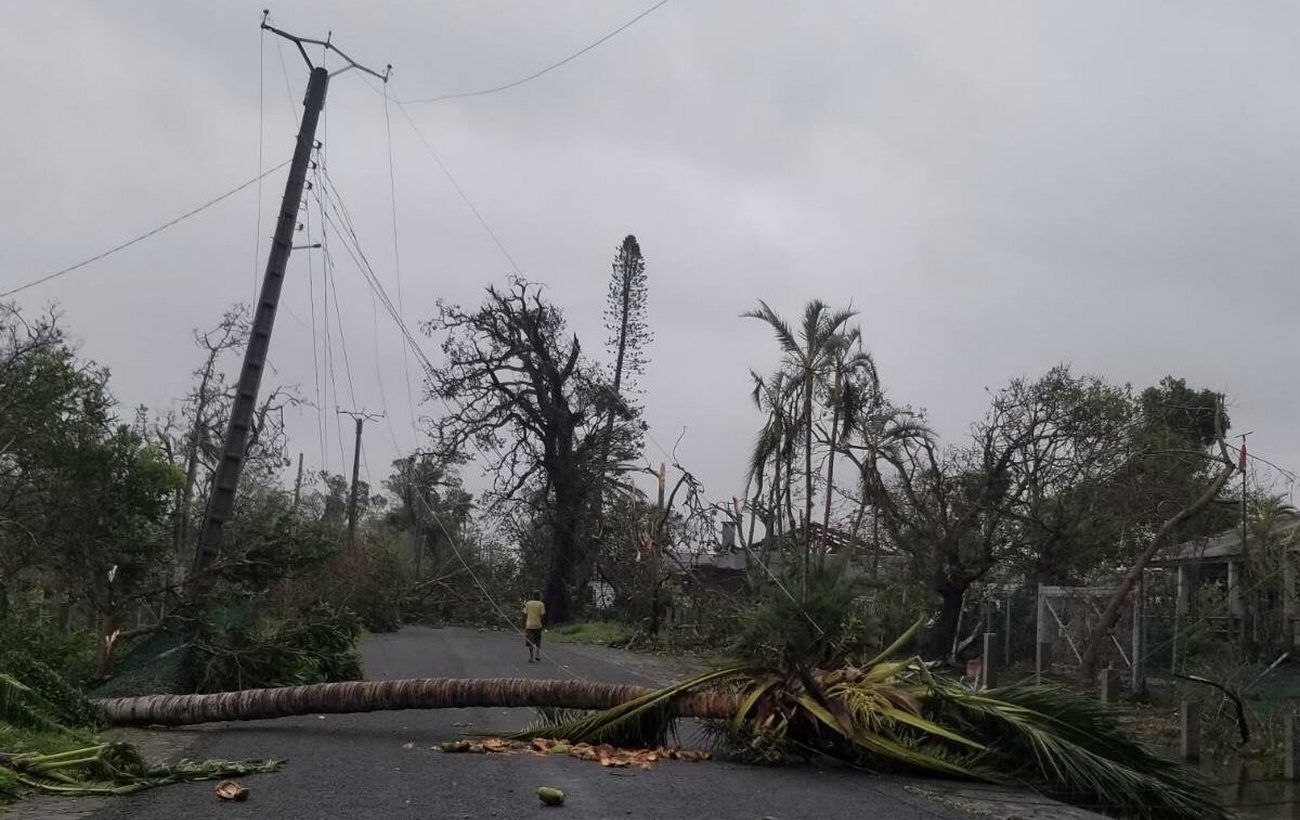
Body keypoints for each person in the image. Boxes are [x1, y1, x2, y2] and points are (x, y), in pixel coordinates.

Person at [522, 595, 546, 663]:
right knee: (538, 640)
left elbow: (524, 614)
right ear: (539, 597)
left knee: (530, 641)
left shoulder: (528, 603)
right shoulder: (541, 604)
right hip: (538, 625)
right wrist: (541, 623)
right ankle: (537, 654)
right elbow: (542, 615)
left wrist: (524, 623)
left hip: (529, 625)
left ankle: (531, 657)